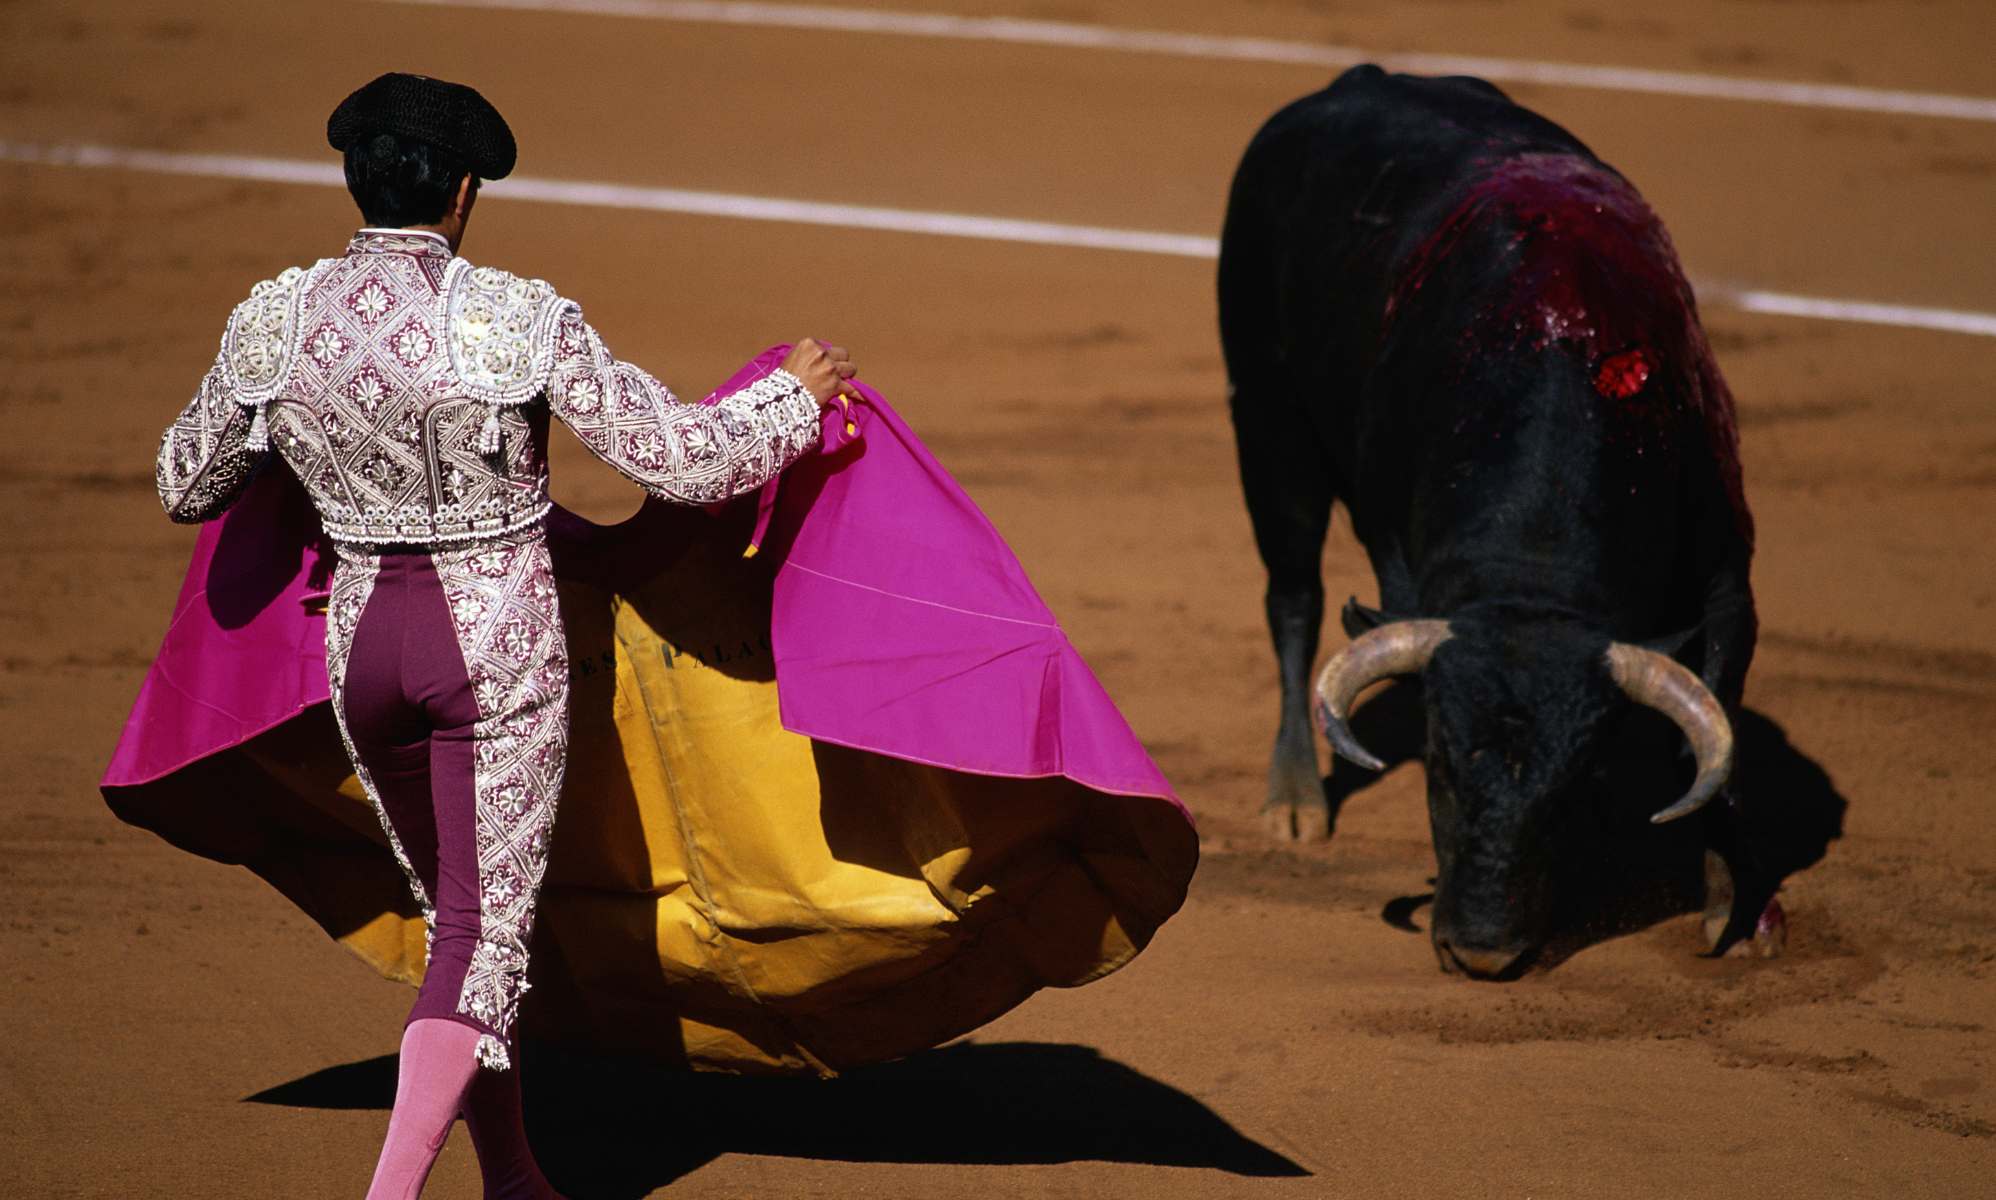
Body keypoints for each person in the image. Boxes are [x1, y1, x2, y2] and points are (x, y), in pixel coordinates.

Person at [152, 71, 857, 1200]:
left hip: (362, 652)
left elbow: (188, 483)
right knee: (483, 942)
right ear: (465, 191)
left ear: (355, 177)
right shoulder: (515, 316)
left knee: (461, 931)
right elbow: (685, 459)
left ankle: (517, 1176)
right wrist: (792, 399)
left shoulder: (273, 319)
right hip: (491, 650)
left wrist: (300, 429)